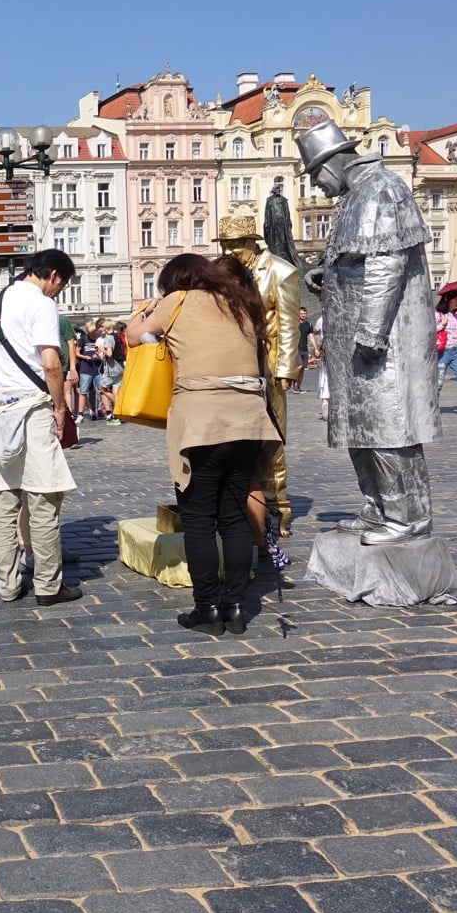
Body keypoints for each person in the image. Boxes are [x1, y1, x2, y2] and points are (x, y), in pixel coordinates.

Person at [297, 117, 440, 545]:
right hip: (356, 341)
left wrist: (373, 331)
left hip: (384, 342)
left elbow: (385, 264)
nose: (316, 186)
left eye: (315, 176)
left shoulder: (381, 188)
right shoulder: (353, 195)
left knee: (389, 430)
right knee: (360, 430)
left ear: (333, 162)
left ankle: (408, 518)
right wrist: (328, 273)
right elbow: (359, 260)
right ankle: (378, 508)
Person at [125, 253, 282, 635]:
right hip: (248, 419)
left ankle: (207, 609)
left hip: (202, 422)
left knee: (199, 520)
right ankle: (235, 608)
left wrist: (146, 309)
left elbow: (133, 336)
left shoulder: (177, 301)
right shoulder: (240, 303)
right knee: (233, 518)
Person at [0, 249, 80, 607]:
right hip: (31, 407)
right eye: (62, 285)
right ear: (52, 275)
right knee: (42, 500)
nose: (59, 292)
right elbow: (51, 364)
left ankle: (7, 585)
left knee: (5, 504)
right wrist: (60, 407)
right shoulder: (41, 304)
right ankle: (48, 585)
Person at [216, 215, 301, 535]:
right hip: (233, 363)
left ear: (252, 242)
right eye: (225, 245)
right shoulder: (225, 273)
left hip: (268, 364)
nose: (229, 251)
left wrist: (285, 368)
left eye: (235, 245)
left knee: (273, 434)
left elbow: (290, 322)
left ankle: (275, 499)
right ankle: (240, 494)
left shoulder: (280, 271)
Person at [293, 307, 313, 393]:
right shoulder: (295, 324)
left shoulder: (309, 325)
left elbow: (311, 337)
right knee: (299, 366)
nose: (303, 315)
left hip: (305, 349)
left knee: (302, 369)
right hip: (296, 348)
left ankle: (298, 387)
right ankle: (293, 381)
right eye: (301, 313)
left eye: (304, 314)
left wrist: (315, 348)